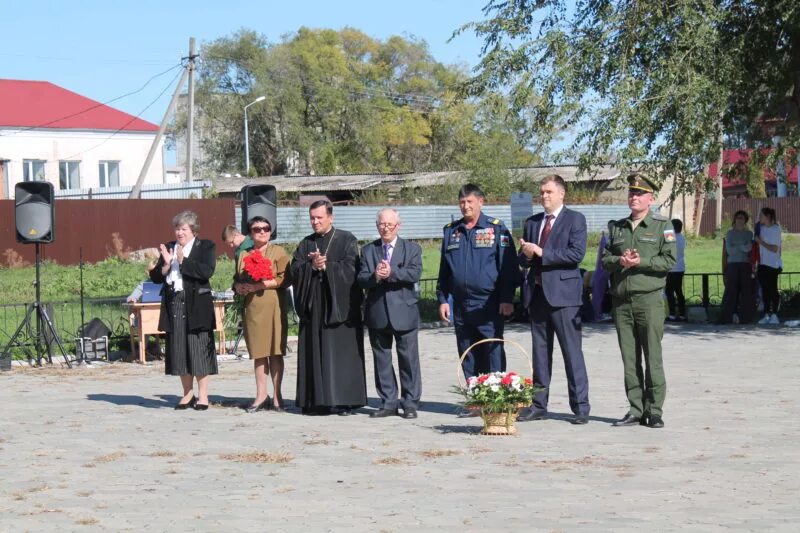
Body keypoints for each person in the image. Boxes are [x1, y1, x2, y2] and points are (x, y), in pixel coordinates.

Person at [602, 174, 676, 429]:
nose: (634, 197)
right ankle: (635, 408)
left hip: (649, 300)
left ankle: (654, 410)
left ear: (651, 199)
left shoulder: (661, 225)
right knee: (629, 359)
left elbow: (669, 261)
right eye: (631, 193)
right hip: (622, 302)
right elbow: (604, 260)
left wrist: (640, 262)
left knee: (652, 356)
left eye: (639, 194)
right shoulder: (617, 227)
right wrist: (620, 261)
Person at [517, 174, 590, 425]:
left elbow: (576, 254)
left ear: (561, 194)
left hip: (564, 298)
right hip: (537, 296)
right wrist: (527, 254)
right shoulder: (532, 222)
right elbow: (523, 258)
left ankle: (580, 407)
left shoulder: (575, 220)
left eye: (548, 192)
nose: (544, 196)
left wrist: (541, 252)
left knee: (572, 353)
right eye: (541, 192)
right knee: (540, 354)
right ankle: (539, 404)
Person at [436, 184, 518, 395]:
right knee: (467, 351)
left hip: (489, 303)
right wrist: (443, 299)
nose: (465, 206)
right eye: (462, 202)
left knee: (492, 351)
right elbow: (444, 269)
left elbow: (508, 267)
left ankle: (495, 398)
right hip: (461, 304)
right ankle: (475, 398)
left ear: (481, 202)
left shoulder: (496, 228)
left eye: (470, 202)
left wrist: (507, 298)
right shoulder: (451, 231)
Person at [291, 200, 367, 416]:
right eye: (312, 218)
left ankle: (345, 401)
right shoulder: (306, 243)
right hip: (314, 307)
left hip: (340, 308)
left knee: (341, 355)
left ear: (330, 217)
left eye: (319, 218)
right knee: (315, 353)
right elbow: (295, 269)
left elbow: (352, 269)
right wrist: (310, 267)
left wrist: (327, 267)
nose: (315, 222)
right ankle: (316, 401)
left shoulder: (346, 239)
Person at [357, 208, 423, 420]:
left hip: (404, 312)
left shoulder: (411, 248)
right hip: (378, 312)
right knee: (381, 359)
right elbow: (361, 279)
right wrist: (375, 276)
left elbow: (414, 273)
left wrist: (392, 273)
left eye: (390, 225)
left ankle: (410, 402)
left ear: (398, 226)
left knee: (408, 359)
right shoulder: (368, 250)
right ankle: (388, 402)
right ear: (377, 226)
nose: (386, 229)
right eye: (382, 225)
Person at [150, 211, 217, 411]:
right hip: (175, 303)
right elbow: (155, 277)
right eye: (177, 229)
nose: (179, 233)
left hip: (196, 304)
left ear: (193, 230)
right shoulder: (169, 247)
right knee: (179, 350)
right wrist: (166, 265)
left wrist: (184, 261)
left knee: (198, 351)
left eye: (184, 229)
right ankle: (187, 395)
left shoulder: (205, 246)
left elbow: (206, 272)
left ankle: (203, 396)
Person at [234, 216, 291, 412]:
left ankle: (277, 395)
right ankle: (261, 395)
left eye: (266, 228)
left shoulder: (279, 251)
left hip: (273, 304)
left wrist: (258, 284)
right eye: (257, 229)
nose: (262, 232)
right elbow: (237, 279)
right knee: (259, 353)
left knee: (275, 352)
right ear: (250, 232)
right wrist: (239, 287)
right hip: (253, 306)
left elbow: (284, 279)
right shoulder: (243, 254)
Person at [720, 210, 755, 325]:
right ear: (734, 219)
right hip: (732, 265)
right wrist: (742, 245)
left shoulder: (749, 234)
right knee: (731, 291)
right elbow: (730, 250)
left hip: (745, 265)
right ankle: (728, 317)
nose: (740, 220)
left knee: (746, 292)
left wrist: (737, 246)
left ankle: (745, 318)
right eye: (738, 217)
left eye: (742, 218)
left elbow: (749, 248)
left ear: (745, 220)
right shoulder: (729, 234)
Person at [755, 207, 782, 325]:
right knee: (764, 291)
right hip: (762, 264)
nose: (760, 218)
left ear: (768, 217)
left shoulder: (776, 229)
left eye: (762, 215)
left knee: (772, 290)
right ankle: (766, 314)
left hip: (772, 264)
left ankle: (775, 314)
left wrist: (761, 242)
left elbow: (774, 248)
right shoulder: (761, 228)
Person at [665, 218, 687, 322]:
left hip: (671, 268)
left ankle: (672, 313)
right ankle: (682, 313)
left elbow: (665, 247)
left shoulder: (671, 237)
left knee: (669, 292)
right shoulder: (682, 238)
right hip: (680, 268)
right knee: (679, 291)